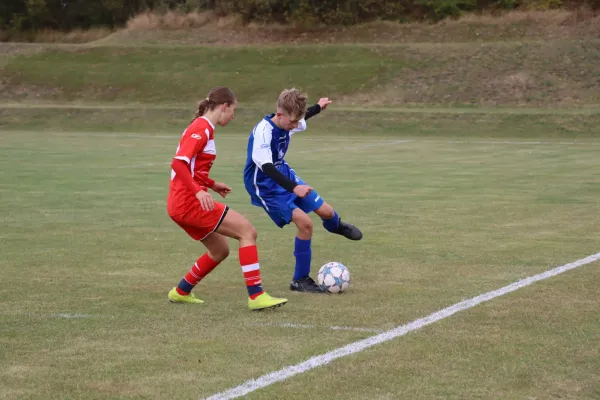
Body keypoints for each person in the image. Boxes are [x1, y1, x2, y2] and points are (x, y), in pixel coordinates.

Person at [167, 86, 287, 310]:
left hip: (180, 203)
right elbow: (178, 163)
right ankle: (256, 295)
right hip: (188, 202)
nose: (233, 115)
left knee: (220, 250)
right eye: (233, 109)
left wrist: (211, 184)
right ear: (224, 106)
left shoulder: (205, 129)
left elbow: (192, 168)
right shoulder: (201, 128)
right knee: (247, 232)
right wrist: (199, 191)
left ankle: (181, 291)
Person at [243, 88, 363, 293]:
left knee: (326, 212)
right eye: (292, 122)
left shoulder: (289, 120)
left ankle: (336, 226)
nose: (295, 126)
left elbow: (302, 116)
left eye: (296, 122)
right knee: (305, 224)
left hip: (284, 173)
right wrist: (294, 188)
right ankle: (300, 280)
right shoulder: (263, 131)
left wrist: (318, 107)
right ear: (279, 114)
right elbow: (267, 167)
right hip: (265, 186)